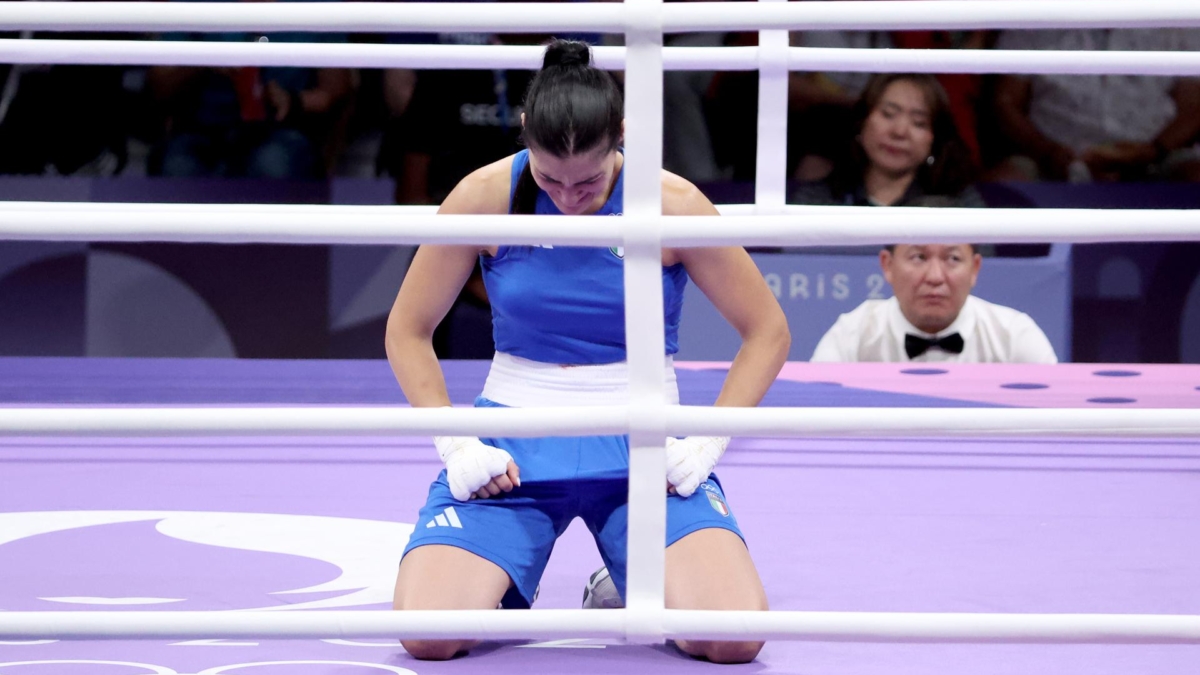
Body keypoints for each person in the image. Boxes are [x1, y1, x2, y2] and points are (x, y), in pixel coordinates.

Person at [385, 39, 790, 663]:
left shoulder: (672, 203)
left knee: (732, 638)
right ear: (524, 132)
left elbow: (768, 330)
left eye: (590, 180)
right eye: (551, 179)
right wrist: (455, 442)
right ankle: (501, 586)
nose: (570, 199)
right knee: (428, 635)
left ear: (622, 135)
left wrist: (708, 442)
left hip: (644, 442)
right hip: (512, 446)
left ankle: (624, 588)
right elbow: (407, 329)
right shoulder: (485, 194)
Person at [989, 28, 1200, 183]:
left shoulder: (1177, 24)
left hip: (1156, 158)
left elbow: (1192, 107)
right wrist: (1046, 151)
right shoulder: (1034, 22)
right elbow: (1006, 102)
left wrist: (1154, 150)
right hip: (1047, 158)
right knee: (1001, 182)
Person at [810, 244, 1057, 363]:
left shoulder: (1015, 336)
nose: (935, 277)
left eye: (952, 258)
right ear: (888, 265)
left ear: (975, 268)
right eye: (919, 257)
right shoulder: (851, 336)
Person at [791, 73, 983, 209]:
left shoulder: (960, 205)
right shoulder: (816, 202)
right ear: (862, 122)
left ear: (935, 139)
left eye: (919, 123)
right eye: (888, 114)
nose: (899, 132)